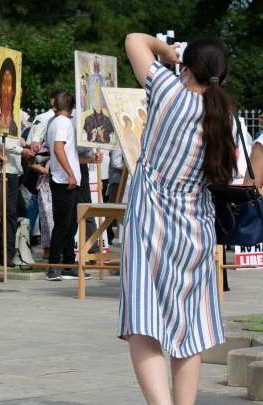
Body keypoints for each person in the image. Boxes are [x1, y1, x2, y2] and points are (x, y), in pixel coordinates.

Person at [119, 34, 237, 404]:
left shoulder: (168, 92)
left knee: (144, 323)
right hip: (196, 227)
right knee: (190, 329)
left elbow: (133, 39)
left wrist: (167, 52)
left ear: (187, 67)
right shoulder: (224, 116)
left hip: (150, 220)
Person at [0, 102, 34, 276]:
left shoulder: (15, 109)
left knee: (10, 212)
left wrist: (34, 139)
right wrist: (21, 150)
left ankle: (7, 253)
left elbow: (31, 124)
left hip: (12, 170)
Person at [44, 92, 87, 281]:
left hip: (68, 180)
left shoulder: (57, 122)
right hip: (63, 181)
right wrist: (70, 173)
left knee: (70, 225)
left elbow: (69, 153)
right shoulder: (62, 123)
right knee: (63, 224)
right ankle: (54, 265)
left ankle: (69, 262)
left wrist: (89, 159)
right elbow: (58, 149)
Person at [0, 58, 18, 137]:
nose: (6, 90)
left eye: (9, 83)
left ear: (13, 90)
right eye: (4, 83)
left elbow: (37, 123)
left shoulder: (21, 114)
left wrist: (35, 139)